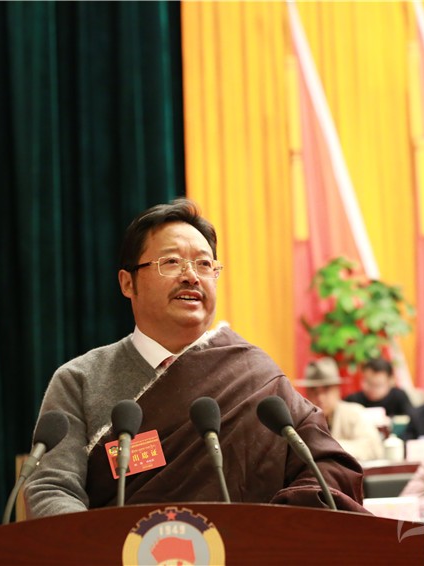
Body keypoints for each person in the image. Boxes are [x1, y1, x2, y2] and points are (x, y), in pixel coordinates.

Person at [24, 199, 366, 518]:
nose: (191, 276)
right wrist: (100, 548)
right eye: (171, 262)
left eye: (204, 264)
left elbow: (328, 466)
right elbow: (52, 488)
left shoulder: (253, 374)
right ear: (128, 283)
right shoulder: (80, 380)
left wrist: (273, 529)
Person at [298, 357, 384, 461]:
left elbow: (373, 449)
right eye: (314, 391)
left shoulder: (354, 413)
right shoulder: (301, 421)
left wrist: (326, 446)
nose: (320, 397)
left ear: (337, 390)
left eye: (326, 390)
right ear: (306, 393)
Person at [345, 357, 414, 418]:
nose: (372, 389)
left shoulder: (399, 397)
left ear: (391, 381)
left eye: (378, 385)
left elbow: (412, 419)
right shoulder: (353, 401)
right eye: (368, 383)